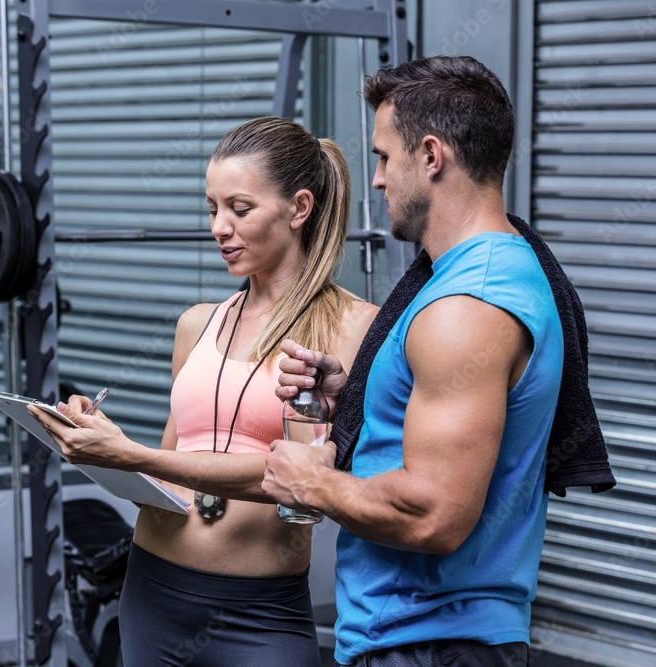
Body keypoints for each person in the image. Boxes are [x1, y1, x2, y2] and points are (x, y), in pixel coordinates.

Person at [28, 116, 378, 667]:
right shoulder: (197, 324)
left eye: (239, 209)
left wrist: (130, 455)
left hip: (262, 610)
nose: (219, 227)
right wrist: (104, 443)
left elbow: (306, 482)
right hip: (152, 592)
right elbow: (169, 473)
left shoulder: (355, 329)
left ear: (299, 208)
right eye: (212, 208)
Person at [262, 56, 566, 667]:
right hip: (429, 638)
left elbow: (434, 516)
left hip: (428, 642)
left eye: (383, 157)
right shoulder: (490, 272)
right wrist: (355, 396)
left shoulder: (466, 306)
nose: (376, 180)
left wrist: (313, 483)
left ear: (431, 156)